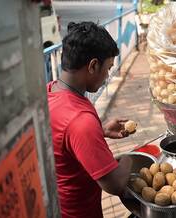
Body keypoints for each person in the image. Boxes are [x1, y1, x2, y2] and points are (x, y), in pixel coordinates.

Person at [47, 22, 133, 218]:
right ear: (93, 65)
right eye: (109, 68)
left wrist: (99, 131)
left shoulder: (50, 90)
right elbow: (116, 184)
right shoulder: (81, 121)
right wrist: (131, 158)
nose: (108, 75)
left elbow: (61, 137)